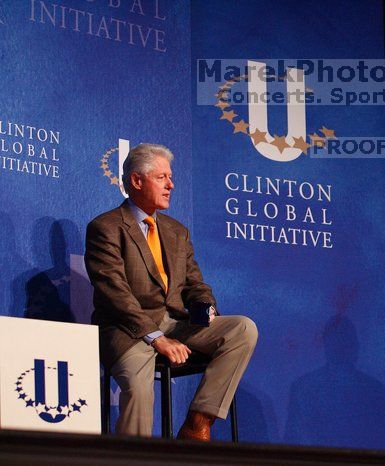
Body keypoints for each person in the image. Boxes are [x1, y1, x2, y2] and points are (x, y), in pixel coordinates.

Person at [85, 143, 257, 440]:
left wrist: (205, 308)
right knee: (139, 389)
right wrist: (157, 338)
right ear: (137, 181)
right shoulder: (106, 227)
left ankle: (197, 424)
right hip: (128, 329)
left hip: (175, 324)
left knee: (242, 328)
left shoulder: (177, 231)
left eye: (171, 177)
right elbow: (115, 293)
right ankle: (133, 461)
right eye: (162, 177)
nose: (171, 184)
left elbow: (195, 284)